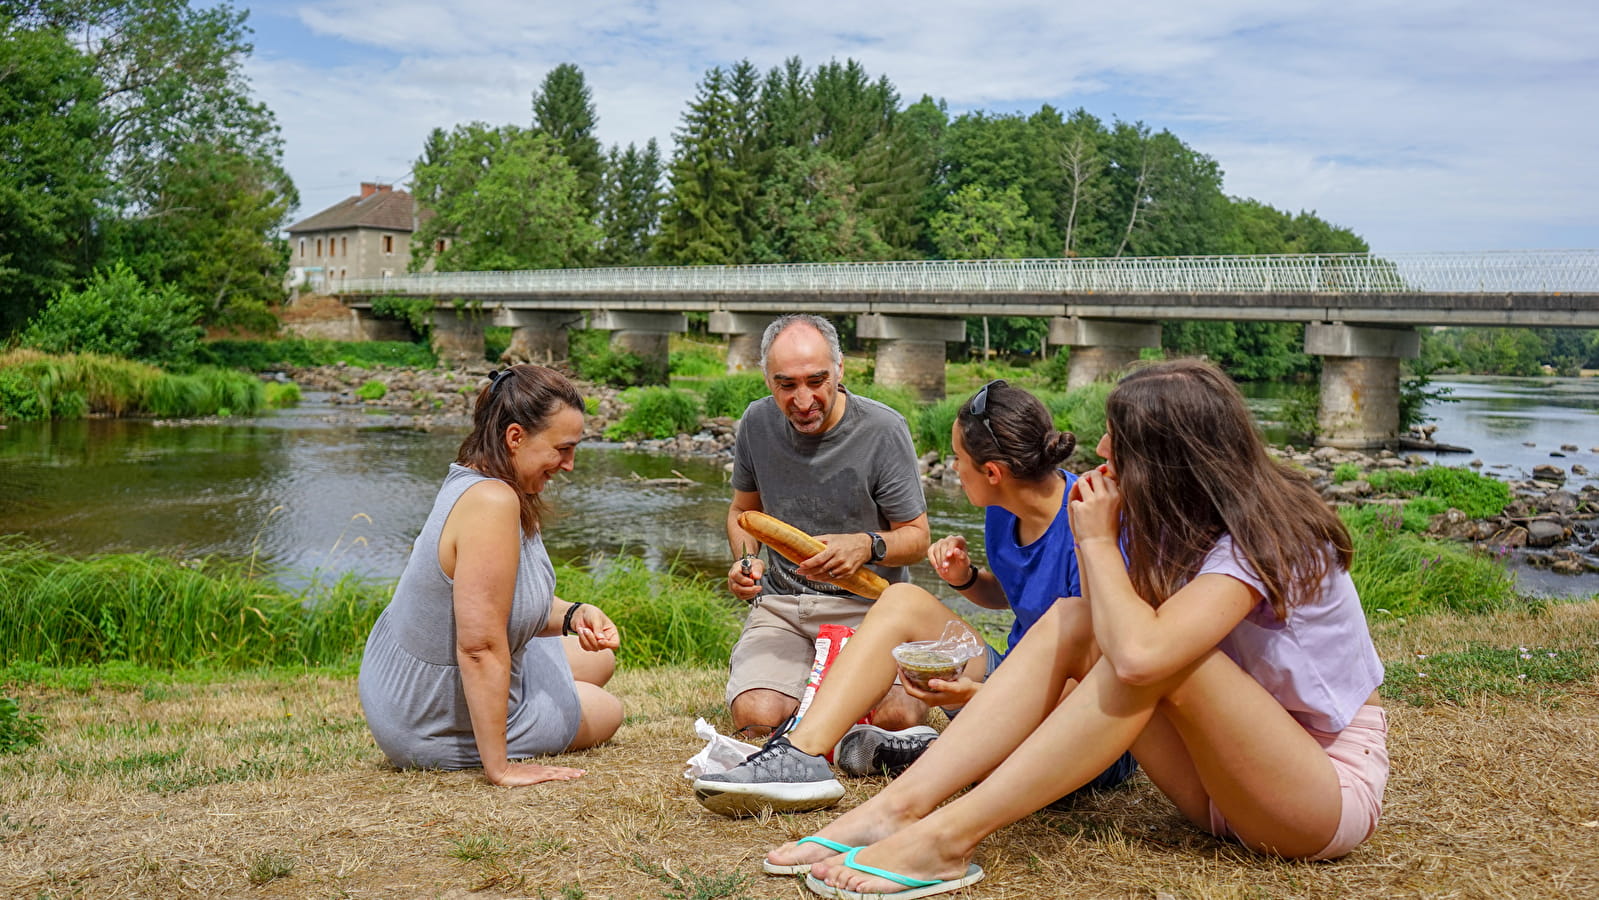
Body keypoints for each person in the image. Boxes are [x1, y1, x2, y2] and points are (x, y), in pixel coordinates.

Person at [789, 359, 1389, 899]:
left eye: (1116, 439)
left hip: (1318, 795)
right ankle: (897, 809)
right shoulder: (1176, 527)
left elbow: (1139, 659)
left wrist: (1096, 540)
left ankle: (946, 839)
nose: (1100, 447)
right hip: (1217, 785)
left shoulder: (1266, 540)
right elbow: (1105, 638)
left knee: (1161, 657)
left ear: (1167, 459)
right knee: (1075, 619)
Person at [695, 380, 1135, 822]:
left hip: (1085, 723)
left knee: (997, 763)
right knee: (902, 598)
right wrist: (967, 579)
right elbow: (1021, 593)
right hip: (1016, 679)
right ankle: (801, 754)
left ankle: (931, 750)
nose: (953, 468)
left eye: (958, 459)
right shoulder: (1005, 508)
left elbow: (1103, 674)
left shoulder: (1092, 525)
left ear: (993, 473)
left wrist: (984, 696)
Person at [358, 365, 624, 786]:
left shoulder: (480, 478)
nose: (570, 465)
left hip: (397, 684)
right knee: (608, 709)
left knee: (600, 658)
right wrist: (500, 768)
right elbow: (479, 647)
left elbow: (503, 602)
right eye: (563, 449)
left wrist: (574, 614)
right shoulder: (492, 502)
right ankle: (487, 736)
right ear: (515, 437)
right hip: (428, 715)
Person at [723, 314, 931, 741]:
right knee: (756, 716)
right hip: (785, 605)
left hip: (872, 608)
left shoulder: (883, 429)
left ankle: (827, 697)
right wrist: (745, 562)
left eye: (817, 381)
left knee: (900, 717)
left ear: (840, 369)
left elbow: (917, 538)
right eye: (786, 385)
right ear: (766, 379)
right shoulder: (756, 422)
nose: (803, 401)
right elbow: (742, 511)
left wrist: (866, 545)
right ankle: (826, 697)